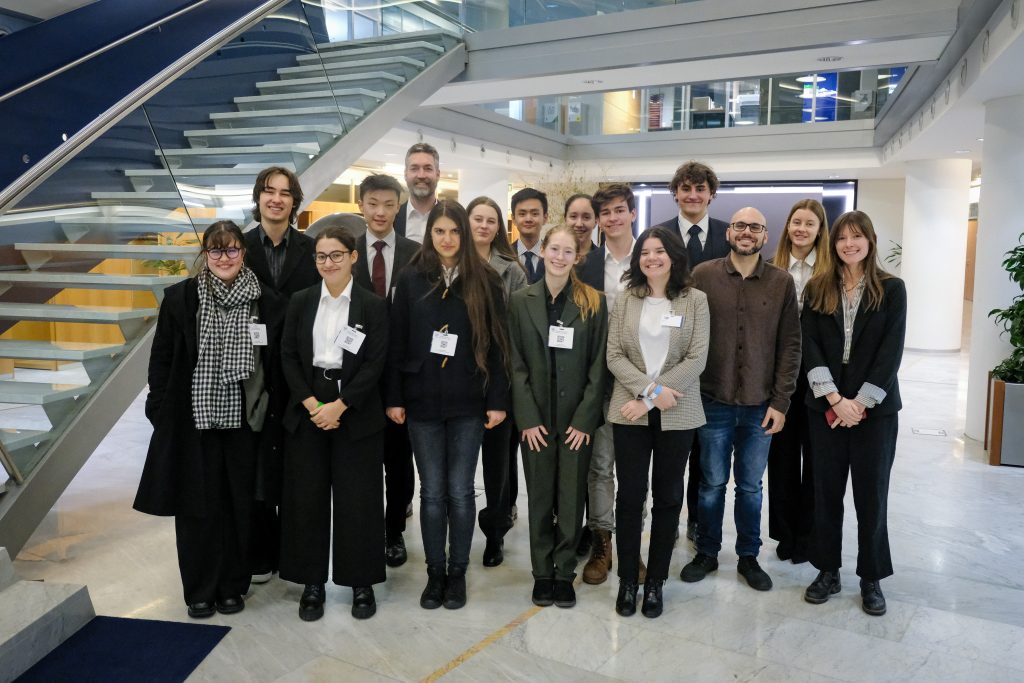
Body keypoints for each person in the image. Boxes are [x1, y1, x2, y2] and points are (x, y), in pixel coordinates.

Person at [134, 220, 283, 619]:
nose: (224, 258)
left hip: (244, 424)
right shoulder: (181, 298)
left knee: (239, 506)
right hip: (192, 423)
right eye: (215, 251)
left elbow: (274, 366)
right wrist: (160, 409)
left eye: (232, 249)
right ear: (205, 254)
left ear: (243, 253)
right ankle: (199, 589)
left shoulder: (266, 302)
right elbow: (162, 359)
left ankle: (233, 586)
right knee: (196, 508)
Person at [385, 200, 510, 610]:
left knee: (460, 491)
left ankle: (457, 572)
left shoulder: (486, 280)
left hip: (468, 401)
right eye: (439, 231)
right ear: (430, 234)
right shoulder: (410, 278)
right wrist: (395, 397)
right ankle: (434, 573)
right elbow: (396, 341)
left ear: (464, 233)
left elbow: (496, 346)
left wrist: (496, 401)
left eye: (454, 231)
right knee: (432, 493)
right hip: (421, 401)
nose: (447, 239)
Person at [681, 206, 801, 592]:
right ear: (729, 232)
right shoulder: (703, 276)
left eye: (755, 227)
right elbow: (685, 334)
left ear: (766, 236)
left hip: (760, 404)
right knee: (711, 484)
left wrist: (781, 403)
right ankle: (708, 552)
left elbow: (790, 346)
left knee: (750, 487)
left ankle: (749, 556)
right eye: (739, 225)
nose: (746, 232)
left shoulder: (781, 283)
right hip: (712, 400)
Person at [278, 226, 389, 621]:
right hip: (308, 408)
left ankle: (361, 583)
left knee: (358, 501)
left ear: (353, 257)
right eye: (322, 256)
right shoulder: (302, 301)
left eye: (336, 255)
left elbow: (375, 363)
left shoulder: (372, 305)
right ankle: (311, 584)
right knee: (305, 500)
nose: (328, 263)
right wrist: (312, 405)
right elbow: (288, 356)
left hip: (355, 412)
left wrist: (340, 406)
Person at [800, 210, 906, 617]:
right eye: (842, 237)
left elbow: (891, 351)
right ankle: (827, 570)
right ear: (834, 243)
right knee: (825, 493)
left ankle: (871, 576)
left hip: (874, 413)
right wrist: (834, 400)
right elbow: (809, 344)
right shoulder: (816, 288)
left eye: (857, 236)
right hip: (825, 408)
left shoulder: (892, 289)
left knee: (871, 494)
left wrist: (859, 403)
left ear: (870, 241)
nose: (849, 243)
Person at [607, 227, 709, 618]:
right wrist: (650, 394)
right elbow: (614, 356)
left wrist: (653, 398)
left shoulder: (695, 300)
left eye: (660, 251)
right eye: (645, 252)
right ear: (637, 260)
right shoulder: (625, 300)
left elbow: (697, 359)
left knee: (668, 499)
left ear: (674, 257)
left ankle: (655, 583)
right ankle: (629, 580)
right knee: (630, 498)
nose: (652, 258)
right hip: (629, 412)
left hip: (677, 411)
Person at [508, 225, 607, 609]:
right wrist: (527, 418)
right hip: (535, 420)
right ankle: (541, 572)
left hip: (574, 422)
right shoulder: (520, 300)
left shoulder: (592, 301)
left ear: (577, 257)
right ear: (544, 251)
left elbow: (598, 366)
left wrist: (584, 419)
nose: (560, 257)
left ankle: (564, 570)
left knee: (570, 497)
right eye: (555, 249)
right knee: (540, 497)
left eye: (569, 251)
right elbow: (515, 364)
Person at [242, 165, 320, 585]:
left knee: (294, 468)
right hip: (249, 369)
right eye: (269, 192)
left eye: (285, 193)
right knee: (254, 466)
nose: (276, 199)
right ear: (258, 198)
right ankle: (258, 552)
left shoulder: (311, 250)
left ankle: (294, 556)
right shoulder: (239, 247)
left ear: (294, 201)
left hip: (299, 373)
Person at [652, 161, 730, 545]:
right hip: (667, 357)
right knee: (672, 450)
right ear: (676, 193)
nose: (693, 195)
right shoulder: (659, 236)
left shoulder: (728, 234)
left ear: (711, 193)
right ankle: (668, 517)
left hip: (715, 359)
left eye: (700, 188)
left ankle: (699, 521)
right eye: (685, 188)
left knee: (706, 452)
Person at [352, 174, 420, 569]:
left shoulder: (416, 253)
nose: (380, 212)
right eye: (372, 203)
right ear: (361, 205)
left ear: (399, 207)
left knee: (398, 461)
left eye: (388, 204)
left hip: (401, 376)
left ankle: (393, 530)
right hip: (357, 376)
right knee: (361, 461)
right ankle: (363, 530)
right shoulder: (348, 251)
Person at [576, 183, 640, 586]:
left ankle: (633, 548)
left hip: (640, 381)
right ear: (598, 220)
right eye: (606, 213)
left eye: (620, 210)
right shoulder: (586, 263)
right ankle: (603, 546)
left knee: (634, 470)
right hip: (597, 378)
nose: (613, 218)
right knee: (599, 467)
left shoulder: (653, 256)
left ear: (632, 213)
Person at [767, 199, 832, 564]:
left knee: (818, 459)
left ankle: (809, 533)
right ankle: (785, 533)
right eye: (796, 222)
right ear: (788, 227)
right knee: (782, 458)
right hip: (781, 377)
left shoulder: (829, 274)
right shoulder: (773, 269)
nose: (802, 229)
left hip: (820, 378)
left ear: (820, 230)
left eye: (810, 224)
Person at [468, 196, 528, 567]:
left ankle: (495, 532)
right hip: (459, 375)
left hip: (498, 375)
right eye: (478, 219)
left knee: (498, 462)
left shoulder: (513, 270)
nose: (484, 226)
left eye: (491, 221)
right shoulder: (451, 263)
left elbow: (518, 328)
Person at [394, 142, 440, 243]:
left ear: (437, 174)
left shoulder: (453, 218)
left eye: (428, 168)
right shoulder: (392, 218)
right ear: (406, 174)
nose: (421, 175)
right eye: (414, 168)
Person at [511, 187, 548, 284]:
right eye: (522, 214)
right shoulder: (504, 255)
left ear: (545, 218)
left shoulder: (554, 256)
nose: (528, 219)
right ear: (513, 219)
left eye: (535, 214)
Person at [564, 193, 599, 260]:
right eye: (573, 216)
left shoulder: (604, 260)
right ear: (565, 219)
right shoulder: (551, 257)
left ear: (595, 221)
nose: (579, 224)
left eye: (586, 217)